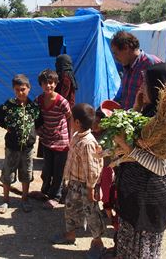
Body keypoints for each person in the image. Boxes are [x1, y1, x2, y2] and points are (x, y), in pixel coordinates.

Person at [114, 63, 166, 259]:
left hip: (150, 201)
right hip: (134, 197)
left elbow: (162, 167)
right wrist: (136, 107)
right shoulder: (149, 111)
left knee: (142, 251)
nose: (141, 87)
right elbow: (125, 128)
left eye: (145, 83)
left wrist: (131, 151)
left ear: (158, 86)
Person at [52, 103, 105, 258]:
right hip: (74, 182)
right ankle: (70, 235)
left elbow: (92, 169)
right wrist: (67, 178)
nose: (69, 122)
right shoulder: (76, 136)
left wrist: (90, 189)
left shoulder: (88, 143)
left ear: (77, 123)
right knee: (70, 208)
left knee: (91, 213)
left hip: (86, 186)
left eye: (71, 119)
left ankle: (97, 242)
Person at [0, 74, 41, 214]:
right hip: (12, 147)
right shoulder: (9, 105)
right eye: (17, 89)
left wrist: (32, 133)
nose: (20, 92)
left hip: (28, 149)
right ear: (13, 89)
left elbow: (39, 120)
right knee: (8, 173)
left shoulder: (33, 107)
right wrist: (6, 126)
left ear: (29, 88)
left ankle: (24, 199)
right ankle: (6, 200)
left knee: (26, 173)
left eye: (23, 89)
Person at [35, 69, 72, 209]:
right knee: (46, 169)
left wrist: (70, 137)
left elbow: (70, 118)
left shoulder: (62, 102)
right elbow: (35, 116)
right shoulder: (39, 100)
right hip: (46, 140)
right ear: (41, 84)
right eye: (45, 83)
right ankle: (45, 192)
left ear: (56, 84)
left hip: (61, 141)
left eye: (50, 83)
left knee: (59, 171)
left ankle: (56, 196)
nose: (48, 86)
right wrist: (38, 130)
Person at [111, 31, 162, 110]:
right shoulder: (127, 65)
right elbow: (124, 94)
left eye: (116, 53)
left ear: (126, 48)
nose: (115, 58)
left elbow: (160, 98)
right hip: (127, 118)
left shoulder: (151, 63)